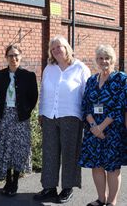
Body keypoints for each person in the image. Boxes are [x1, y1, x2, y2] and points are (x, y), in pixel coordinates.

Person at [34, 35, 91, 203]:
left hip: (72, 116)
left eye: (59, 47)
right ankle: (49, 187)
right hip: (49, 116)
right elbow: (43, 91)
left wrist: (88, 118)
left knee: (70, 153)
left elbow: (87, 94)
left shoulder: (80, 68)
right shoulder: (49, 68)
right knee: (49, 152)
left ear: (67, 48)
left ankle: (68, 188)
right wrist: (41, 112)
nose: (56, 50)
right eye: (53, 48)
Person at [79, 45, 127, 206]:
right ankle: (101, 198)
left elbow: (120, 106)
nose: (104, 61)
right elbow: (85, 104)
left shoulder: (121, 78)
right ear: (96, 60)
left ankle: (112, 202)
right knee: (97, 165)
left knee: (112, 168)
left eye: (107, 58)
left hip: (113, 131)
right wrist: (93, 125)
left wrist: (101, 127)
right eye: (100, 58)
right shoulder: (92, 80)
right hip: (93, 130)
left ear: (112, 59)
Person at [0, 45, 38, 196]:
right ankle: (7, 180)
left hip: (21, 117)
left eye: (16, 55)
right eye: (10, 56)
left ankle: (15, 181)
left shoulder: (28, 76)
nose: (13, 58)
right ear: (6, 58)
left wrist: (25, 111)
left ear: (20, 57)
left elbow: (33, 97)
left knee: (18, 148)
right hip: (4, 116)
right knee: (5, 147)